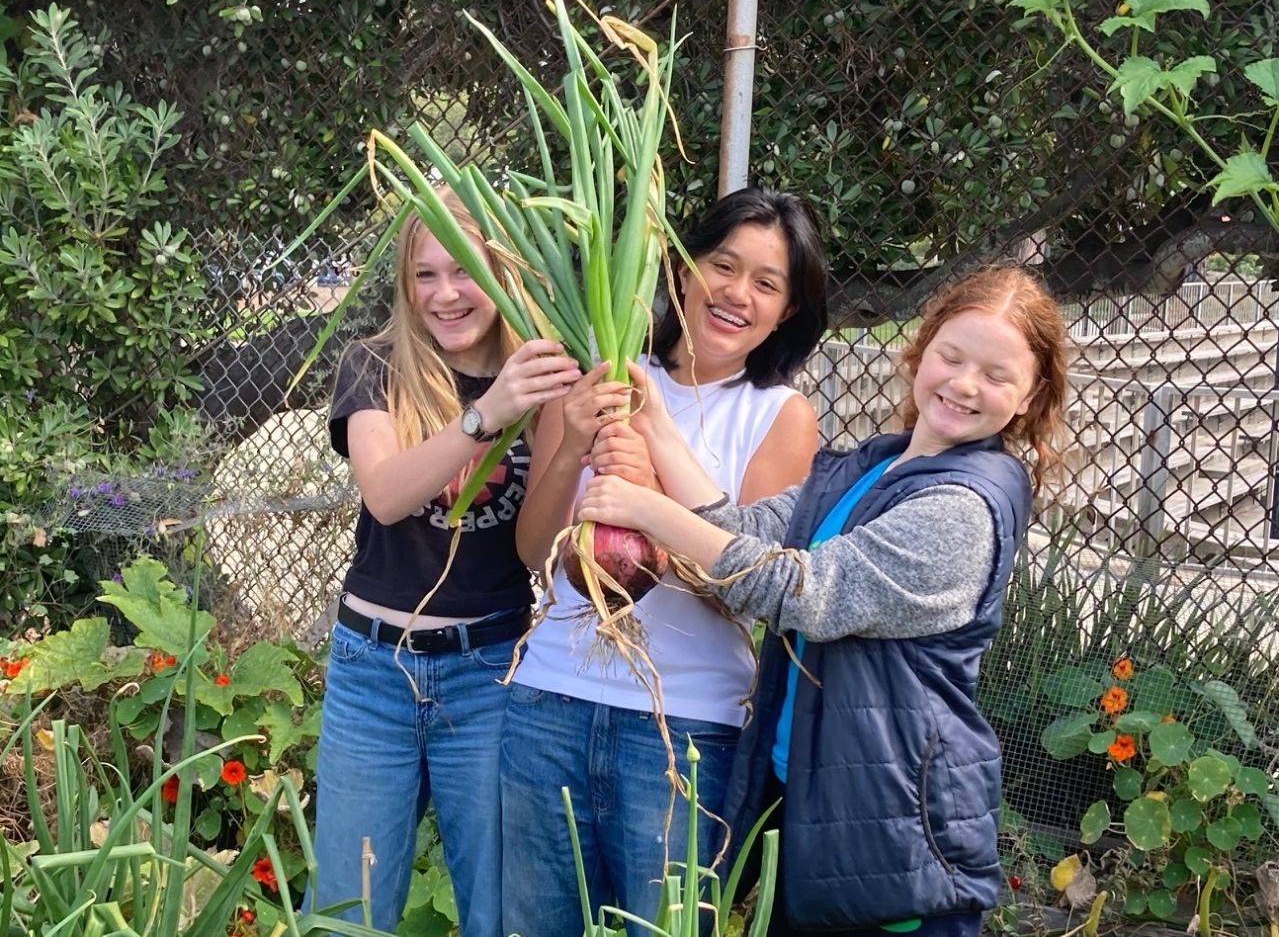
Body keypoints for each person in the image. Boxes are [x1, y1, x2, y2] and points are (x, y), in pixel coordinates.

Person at [579, 265, 1068, 937]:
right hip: (817, 811)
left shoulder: (962, 507)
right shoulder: (873, 468)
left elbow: (799, 591)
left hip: (893, 841)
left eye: (994, 375)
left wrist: (646, 510)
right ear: (921, 350)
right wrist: (657, 424)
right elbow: (742, 532)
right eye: (951, 357)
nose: (962, 384)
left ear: (1028, 394)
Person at [500, 188, 830, 937]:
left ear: (786, 311)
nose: (735, 293)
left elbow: (748, 593)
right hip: (547, 701)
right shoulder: (601, 378)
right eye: (722, 264)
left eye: (766, 283)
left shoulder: (778, 415)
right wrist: (573, 450)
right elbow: (533, 554)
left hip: (683, 728)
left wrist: (649, 501)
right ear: (681, 271)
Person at [309, 194, 581, 937]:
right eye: (424, 275)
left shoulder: (544, 377)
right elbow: (388, 494)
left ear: (501, 273)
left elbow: (534, 551)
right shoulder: (374, 364)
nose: (445, 294)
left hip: (488, 669)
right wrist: (486, 414)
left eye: (464, 272)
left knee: (497, 907)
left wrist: (569, 436)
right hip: (373, 672)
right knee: (348, 908)